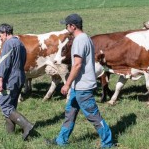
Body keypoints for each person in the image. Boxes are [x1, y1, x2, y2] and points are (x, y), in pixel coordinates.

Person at [46, 13, 115, 148]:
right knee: (70, 113)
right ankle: (61, 141)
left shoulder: (79, 40)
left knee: (93, 116)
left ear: (73, 26)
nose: (66, 28)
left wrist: (66, 83)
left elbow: (77, 64)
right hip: (78, 86)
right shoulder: (86, 37)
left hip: (83, 87)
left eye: (67, 25)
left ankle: (108, 143)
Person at [0, 23, 35, 141]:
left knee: (4, 104)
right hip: (20, 76)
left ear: (5, 33)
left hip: (10, 78)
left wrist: (0, 80)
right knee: (11, 105)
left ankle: (27, 126)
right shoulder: (20, 43)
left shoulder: (8, 44)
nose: (0, 38)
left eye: (0, 35)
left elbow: (4, 63)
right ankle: (10, 134)